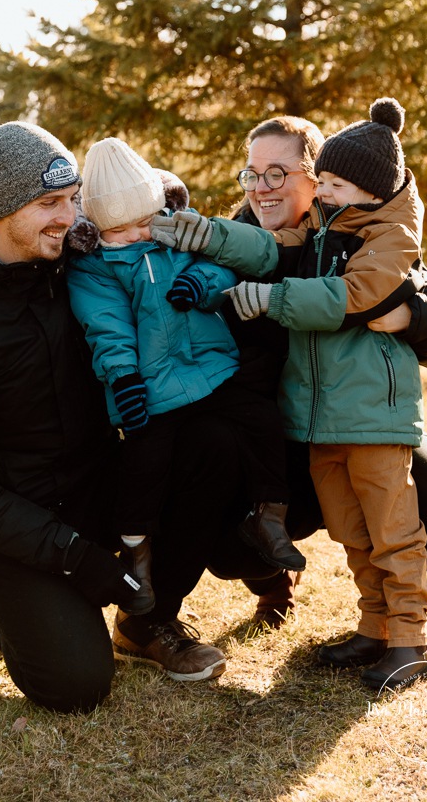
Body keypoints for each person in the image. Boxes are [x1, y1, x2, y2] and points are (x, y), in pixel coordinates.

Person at [0, 121, 244, 713]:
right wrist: (76, 558)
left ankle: (148, 623)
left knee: (211, 446)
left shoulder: (81, 273)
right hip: (15, 523)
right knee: (76, 684)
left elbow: (157, 248)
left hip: (97, 488)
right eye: (49, 203)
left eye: (72, 199)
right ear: (1, 210)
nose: (70, 217)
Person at [151, 107, 427, 642]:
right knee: (236, 546)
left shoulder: (368, 237)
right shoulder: (235, 245)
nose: (262, 187)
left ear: (319, 179)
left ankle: (396, 619)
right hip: (277, 439)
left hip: (362, 422)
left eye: (278, 173)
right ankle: (275, 580)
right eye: (252, 174)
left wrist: (412, 317)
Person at [65, 137, 306, 615]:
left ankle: (270, 515)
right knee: (144, 464)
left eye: (144, 222)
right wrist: (123, 378)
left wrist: (203, 284)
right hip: (151, 385)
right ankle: (137, 551)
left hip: (212, 367)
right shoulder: (95, 269)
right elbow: (106, 327)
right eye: (120, 230)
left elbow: (218, 269)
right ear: (95, 228)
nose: (137, 235)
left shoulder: (175, 235)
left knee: (260, 420)